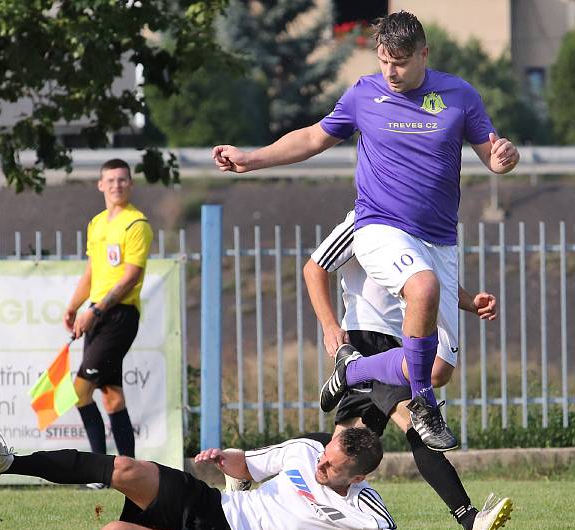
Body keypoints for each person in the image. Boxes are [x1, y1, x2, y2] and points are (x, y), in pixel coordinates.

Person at [212, 11, 520, 452]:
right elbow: (313, 138)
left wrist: (506, 156)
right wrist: (251, 158)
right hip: (380, 226)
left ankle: (352, 371)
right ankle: (424, 407)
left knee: (436, 366)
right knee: (424, 289)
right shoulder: (364, 94)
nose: (390, 72)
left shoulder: (459, 94)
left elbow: (494, 155)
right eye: (383, 61)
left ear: (423, 54)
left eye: (400, 62)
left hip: (440, 239)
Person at [302, 209, 512, 530]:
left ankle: (252, 465)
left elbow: (428, 282)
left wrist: (469, 302)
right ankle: (470, 520)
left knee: (344, 444)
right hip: (368, 342)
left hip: (400, 346)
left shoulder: (414, 224)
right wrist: (329, 326)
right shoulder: (362, 222)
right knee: (418, 422)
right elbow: (314, 268)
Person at [0, 423, 410, 530]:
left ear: (357, 479)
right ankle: (11, 462)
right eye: (326, 454)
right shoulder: (307, 451)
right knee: (124, 468)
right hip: (214, 503)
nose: (321, 466)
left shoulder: (365, 510)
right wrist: (226, 459)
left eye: (332, 468)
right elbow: (250, 465)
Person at [64, 158, 153, 466]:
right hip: (96, 314)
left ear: (131, 184)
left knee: (79, 390)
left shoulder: (136, 224)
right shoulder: (97, 223)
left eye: (122, 180)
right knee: (112, 396)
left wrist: (96, 312)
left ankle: (97, 471)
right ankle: (131, 470)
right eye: (110, 180)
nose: (116, 185)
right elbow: (92, 271)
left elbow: (130, 276)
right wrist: (75, 306)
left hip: (119, 316)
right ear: (101, 185)